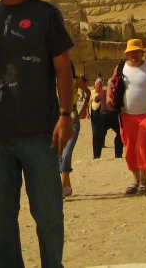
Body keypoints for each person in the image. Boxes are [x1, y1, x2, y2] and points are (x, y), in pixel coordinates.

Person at [0, 0, 74, 268]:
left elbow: (64, 67)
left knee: (48, 213)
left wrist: (65, 114)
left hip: (40, 133)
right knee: (2, 217)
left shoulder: (46, 13)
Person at [108, 39, 146, 195]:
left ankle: (143, 180)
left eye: (137, 51)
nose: (134, 55)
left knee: (143, 145)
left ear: (142, 52)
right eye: (131, 52)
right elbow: (112, 85)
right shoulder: (120, 68)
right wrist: (108, 99)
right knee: (130, 147)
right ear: (127, 53)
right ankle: (135, 180)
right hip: (126, 115)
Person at [60, 66, 91, 198]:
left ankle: (61, 188)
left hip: (73, 119)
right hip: (58, 122)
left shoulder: (76, 81)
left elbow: (88, 92)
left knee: (66, 154)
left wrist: (84, 108)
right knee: (60, 155)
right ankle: (67, 187)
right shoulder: (55, 81)